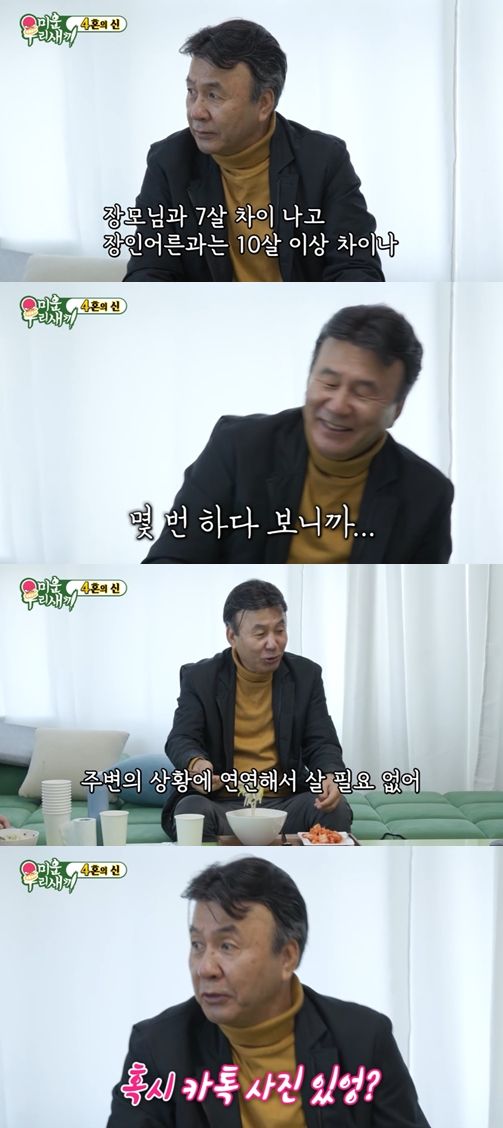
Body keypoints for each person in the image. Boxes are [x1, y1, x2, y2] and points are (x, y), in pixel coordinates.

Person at [107, 857, 431, 1126]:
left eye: (227, 945)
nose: (205, 968)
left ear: (287, 957)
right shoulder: (158, 1048)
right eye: (197, 944)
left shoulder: (363, 1040)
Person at [144, 305, 454, 565]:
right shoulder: (239, 447)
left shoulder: (426, 495)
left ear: (397, 409)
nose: (338, 405)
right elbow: (171, 560)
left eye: (363, 392)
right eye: (329, 383)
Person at [123, 19, 384, 283]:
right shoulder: (169, 162)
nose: (196, 111)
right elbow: (148, 272)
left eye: (213, 95)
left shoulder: (323, 160)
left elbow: (356, 267)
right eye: (192, 92)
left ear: (264, 103)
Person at [160, 579, 351, 842]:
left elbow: (321, 741)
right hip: (223, 804)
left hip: (285, 802)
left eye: (280, 630)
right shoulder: (200, 677)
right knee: (191, 812)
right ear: (232, 636)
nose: (273, 643)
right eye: (260, 634)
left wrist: (330, 775)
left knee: (335, 811)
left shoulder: (305, 675)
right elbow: (182, 738)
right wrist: (197, 764)